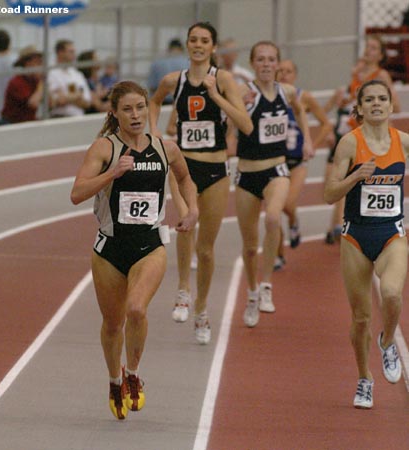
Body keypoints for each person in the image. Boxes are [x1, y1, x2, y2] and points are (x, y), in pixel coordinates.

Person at [70, 81, 198, 420]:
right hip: (110, 249)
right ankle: (114, 380)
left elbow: (185, 178)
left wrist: (191, 208)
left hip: (150, 246)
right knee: (113, 324)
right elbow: (77, 193)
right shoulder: (104, 148)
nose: (136, 114)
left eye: (141, 107)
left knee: (137, 309)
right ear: (114, 113)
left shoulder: (165, 148)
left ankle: (133, 373)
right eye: (127, 109)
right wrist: (113, 173)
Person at [149, 22, 253, 344]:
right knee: (184, 226)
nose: (198, 45)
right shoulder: (173, 81)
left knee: (206, 249)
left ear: (213, 47)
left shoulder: (223, 79)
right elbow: (153, 101)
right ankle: (182, 289)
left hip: (216, 169)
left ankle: (202, 308)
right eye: (193, 39)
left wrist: (215, 96)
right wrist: (153, 136)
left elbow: (246, 125)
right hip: (184, 167)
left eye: (204, 41)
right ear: (187, 45)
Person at [324, 80, 407, 409]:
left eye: (382, 99)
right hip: (355, 237)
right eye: (369, 99)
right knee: (360, 318)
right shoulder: (349, 144)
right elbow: (329, 194)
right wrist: (355, 177)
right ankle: (364, 378)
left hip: (391, 235)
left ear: (391, 105)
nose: (376, 104)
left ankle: (387, 341)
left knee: (391, 293)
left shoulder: (402, 142)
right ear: (358, 108)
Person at [233, 41, 313, 328]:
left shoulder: (287, 91)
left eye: (271, 59)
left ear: (277, 64)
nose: (266, 64)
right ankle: (252, 292)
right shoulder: (243, 92)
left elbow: (301, 111)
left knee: (273, 218)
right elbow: (228, 119)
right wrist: (237, 110)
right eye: (261, 59)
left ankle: (267, 285)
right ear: (253, 63)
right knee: (249, 245)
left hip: (276, 169)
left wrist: (307, 141)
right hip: (246, 173)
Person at [324, 35, 401, 244]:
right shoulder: (357, 73)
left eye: (374, 48)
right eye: (367, 47)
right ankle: (338, 226)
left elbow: (397, 105)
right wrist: (347, 99)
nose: (369, 51)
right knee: (345, 179)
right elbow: (351, 104)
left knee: (372, 181)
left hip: (376, 137)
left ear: (381, 54)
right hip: (355, 134)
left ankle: (374, 226)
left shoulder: (381, 75)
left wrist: (377, 105)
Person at [273, 59, 333, 269]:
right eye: (279, 71)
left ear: (295, 75)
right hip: (273, 162)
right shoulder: (269, 96)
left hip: (297, 162)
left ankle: (294, 222)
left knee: (287, 205)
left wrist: (312, 145)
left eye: (288, 71)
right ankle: (278, 255)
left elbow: (326, 124)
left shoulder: (303, 97)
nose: (283, 75)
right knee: (274, 211)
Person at [48, 39, 92, 118]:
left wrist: (68, 97)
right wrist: (77, 95)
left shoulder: (78, 74)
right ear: (60, 53)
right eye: (71, 52)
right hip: (60, 117)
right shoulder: (51, 73)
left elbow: (87, 102)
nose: (74, 55)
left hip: (78, 117)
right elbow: (57, 101)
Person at [1, 46, 44, 124]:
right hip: (12, 123)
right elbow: (33, 103)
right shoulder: (17, 82)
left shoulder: (34, 81)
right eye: (37, 62)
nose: (40, 65)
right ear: (28, 63)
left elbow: (50, 103)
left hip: (26, 122)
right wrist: (42, 82)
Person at [147, 38, 189, 103]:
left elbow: (152, 87)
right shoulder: (188, 63)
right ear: (182, 49)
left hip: (162, 101)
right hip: (182, 101)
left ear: (169, 48)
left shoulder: (157, 63)